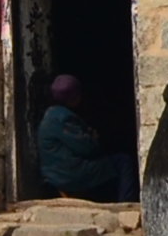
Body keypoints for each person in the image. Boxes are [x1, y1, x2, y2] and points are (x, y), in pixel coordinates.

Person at [36, 72, 132, 201]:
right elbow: (88, 149)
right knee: (123, 162)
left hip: (54, 174)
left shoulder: (50, 115)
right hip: (69, 175)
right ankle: (126, 203)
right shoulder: (64, 118)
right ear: (73, 97)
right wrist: (93, 137)